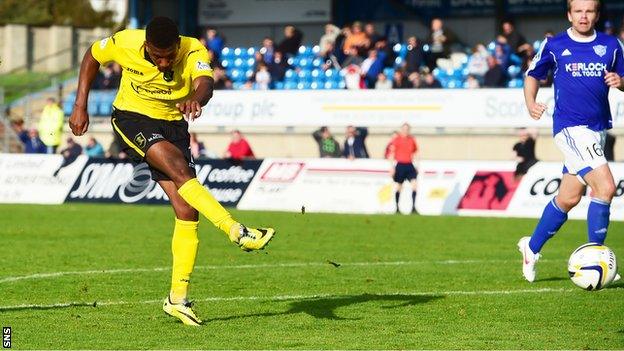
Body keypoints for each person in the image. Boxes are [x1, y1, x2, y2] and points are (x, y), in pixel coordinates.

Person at [68, 17, 275, 326]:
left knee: (187, 210)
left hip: (173, 124)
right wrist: (80, 104)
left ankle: (177, 300)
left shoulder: (193, 49)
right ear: (146, 47)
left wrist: (196, 98)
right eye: (157, 55)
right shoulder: (125, 42)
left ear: (178, 45)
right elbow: (92, 56)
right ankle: (236, 230)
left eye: (169, 55)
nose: (164, 62)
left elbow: (206, 83)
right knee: (181, 172)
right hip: (132, 118)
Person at [518, 0, 624, 283]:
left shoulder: (612, 45)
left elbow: (623, 77)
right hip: (570, 128)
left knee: (568, 198)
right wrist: (531, 103)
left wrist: (620, 81)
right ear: (569, 14)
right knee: (606, 187)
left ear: (597, 14)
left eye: (589, 11)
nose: (583, 15)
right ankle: (597, 258)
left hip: (597, 129)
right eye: (578, 11)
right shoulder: (554, 45)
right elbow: (533, 75)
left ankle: (531, 247)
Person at [388, 123, 419, 214]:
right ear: (401, 130)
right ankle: (397, 208)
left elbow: (416, 152)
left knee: (414, 185)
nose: (405, 131)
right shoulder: (396, 140)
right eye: (404, 129)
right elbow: (392, 154)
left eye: (407, 129)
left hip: (409, 165)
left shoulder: (412, 140)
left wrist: (417, 165)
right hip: (400, 165)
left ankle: (413, 208)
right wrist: (392, 167)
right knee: (399, 187)